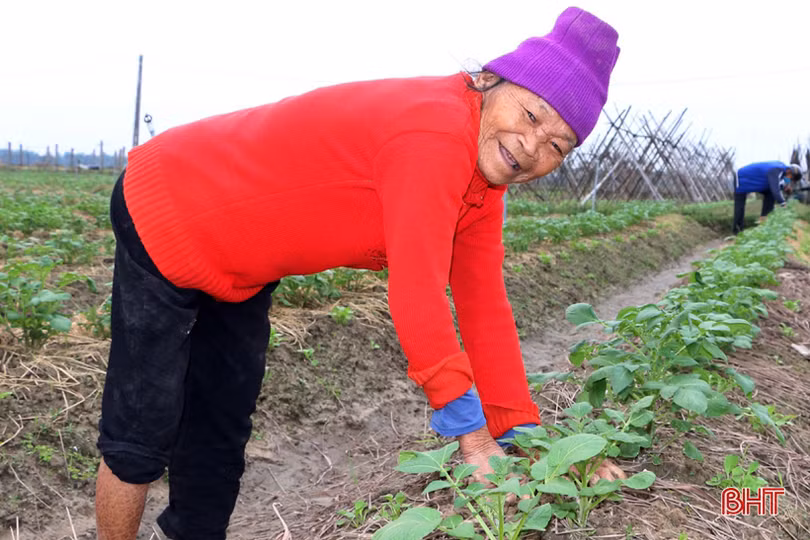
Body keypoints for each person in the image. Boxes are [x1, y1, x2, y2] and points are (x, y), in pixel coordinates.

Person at [95, 7, 622, 539]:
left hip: (242, 262)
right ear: (489, 80)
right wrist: (473, 436)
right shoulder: (436, 135)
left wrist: (525, 437)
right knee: (143, 424)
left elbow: (484, 308)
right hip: (169, 206)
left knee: (220, 425)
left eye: (557, 145)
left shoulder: (483, 189)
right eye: (531, 115)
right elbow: (418, 293)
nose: (532, 147)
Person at [732, 161, 801, 234]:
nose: (790, 180)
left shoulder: (783, 171)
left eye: (792, 180)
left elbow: (779, 184)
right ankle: (737, 232)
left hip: (757, 182)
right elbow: (775, 189)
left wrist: (785, 187)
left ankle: (763, 220)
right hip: (741, 178)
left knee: (770, 194)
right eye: (792, 178)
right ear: (789, 171)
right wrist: (783, 203)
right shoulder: (776, 170)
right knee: (740, 207)